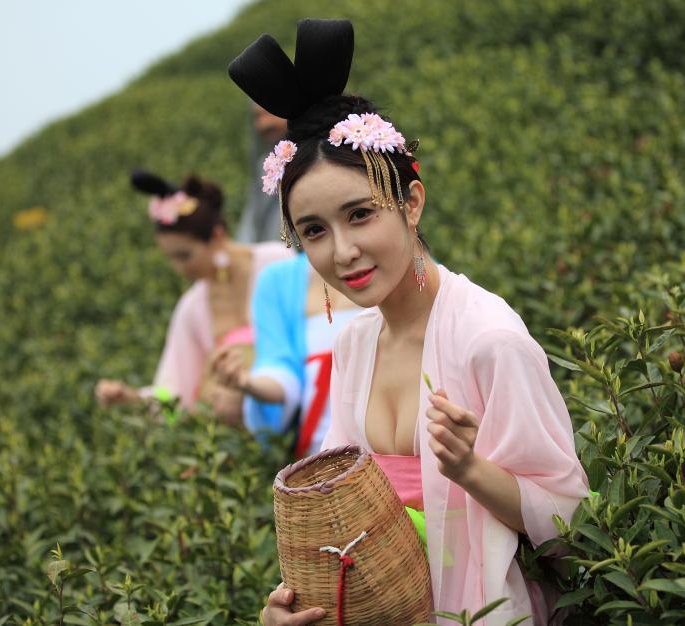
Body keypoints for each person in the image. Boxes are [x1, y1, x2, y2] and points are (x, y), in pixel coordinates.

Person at [228, 19, 588, 625]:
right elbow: (342, 517)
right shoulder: (355, 345)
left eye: (360, 214)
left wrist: (470, 470)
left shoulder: (489, 340)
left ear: (411, 202)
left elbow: (570, 525)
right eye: (314, 230)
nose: (342, 251)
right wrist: (293, 605)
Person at [95, 170, 292, 422]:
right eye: (170, 258)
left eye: (184, 256)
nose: (179, 269)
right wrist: (133, 399)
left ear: (217, 236)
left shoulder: (275, 261)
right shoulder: (192, 307)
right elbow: (176, 389)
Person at [212, 252, 362, 458]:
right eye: (313, 229)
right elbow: (279, 367)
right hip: (321, 458)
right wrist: (247, 382)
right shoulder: (277, 281)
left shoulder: (399, 266)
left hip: (392, 449)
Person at [235, 103, 290, 243]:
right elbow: (251, 219)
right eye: (258, 116)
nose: (263, 124)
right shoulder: (263, 165)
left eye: (269, 113)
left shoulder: (311, 159)